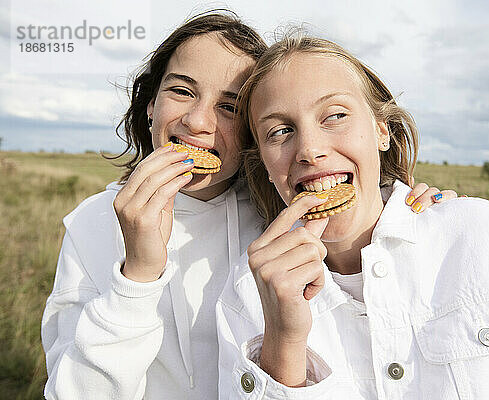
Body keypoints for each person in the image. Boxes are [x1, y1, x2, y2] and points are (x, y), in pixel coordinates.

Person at [41, 11, 455, 399]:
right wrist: (138, 277)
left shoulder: (284, 215)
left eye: (229, 107)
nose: (198, 122)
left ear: (255, 133)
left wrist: (412, 209)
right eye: (182, 91)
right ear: (151, 105)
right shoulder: (92, 223)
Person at [215, 35, 489, 399]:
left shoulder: (483, 236)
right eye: (280, 131)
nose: (309, 150)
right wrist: (284, 340)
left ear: (381, 130)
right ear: (263, 161)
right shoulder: (246, 291)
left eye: (336, 115)